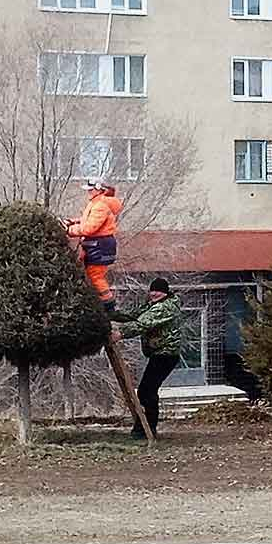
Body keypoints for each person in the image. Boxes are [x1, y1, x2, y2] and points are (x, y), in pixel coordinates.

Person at [111, 278, 183, 439]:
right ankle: (144, 428)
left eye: (158, 291)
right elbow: (134, 315)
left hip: (166, 355)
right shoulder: (153, 305)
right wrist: (111, 314)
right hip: (159, 354)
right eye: (152, 290)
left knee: (147, 391)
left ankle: (146, 429)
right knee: (147, 391)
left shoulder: (165, 308)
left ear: (165, 292)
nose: (154, 293)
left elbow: (142, 323)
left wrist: (120, 334)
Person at [66, 180, 123, 314]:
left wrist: (69, 230)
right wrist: (74, 221)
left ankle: (108, 307)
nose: (88, 192)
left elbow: (89, 228)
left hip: (99, 245)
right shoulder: (97, 203)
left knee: (95, 276)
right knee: (91, 275)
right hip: (97, 245)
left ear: (99, 190)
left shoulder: (100, 205)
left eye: (91, 190)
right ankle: (101, 304)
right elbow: (89, 220)